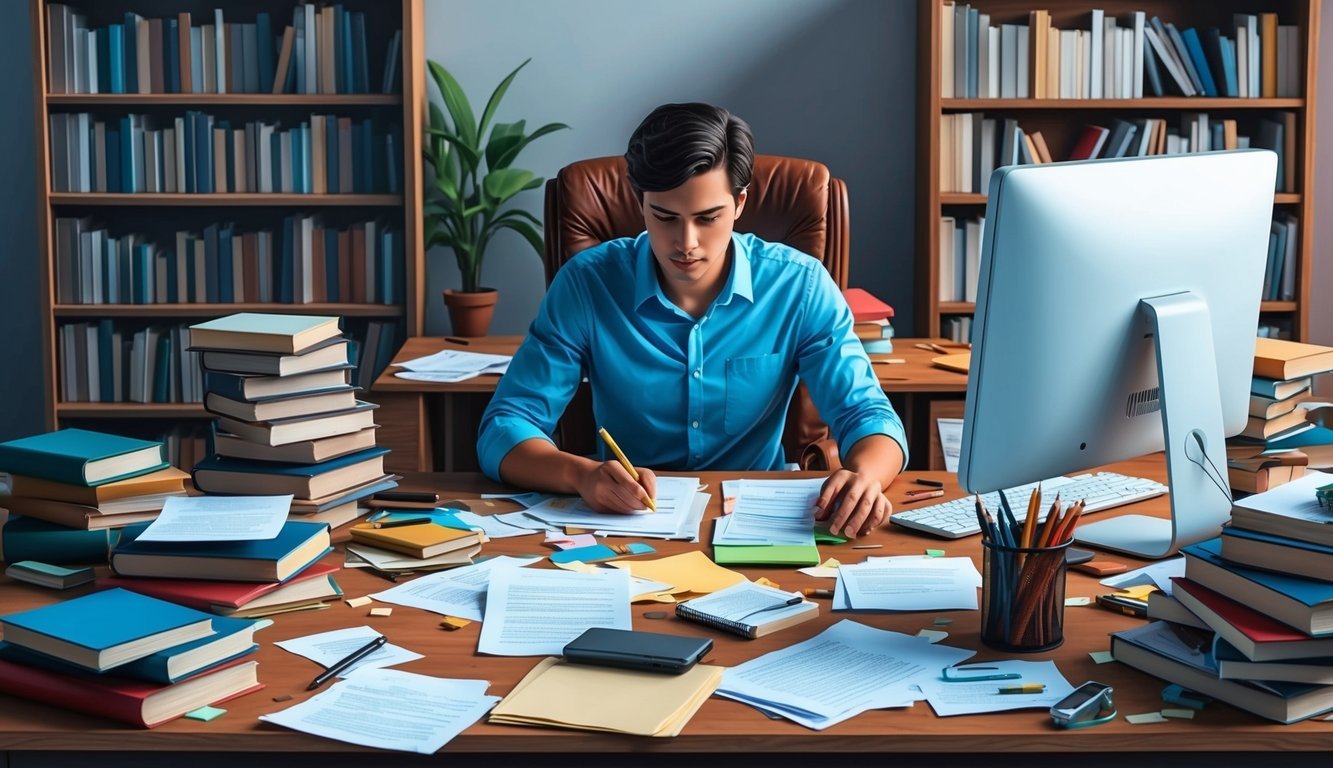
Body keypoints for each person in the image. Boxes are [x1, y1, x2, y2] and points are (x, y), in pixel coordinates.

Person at [476, 102, 906, 538]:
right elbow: (506, 427)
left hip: (760, 523)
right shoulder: (587, 284)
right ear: (638, 200)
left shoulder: (799, 285)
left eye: (708, 218)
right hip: (626, 524)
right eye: (665, 217)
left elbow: (867, 413)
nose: (686, 243)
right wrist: (581, 476)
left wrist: (867, 476)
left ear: (739, 203)